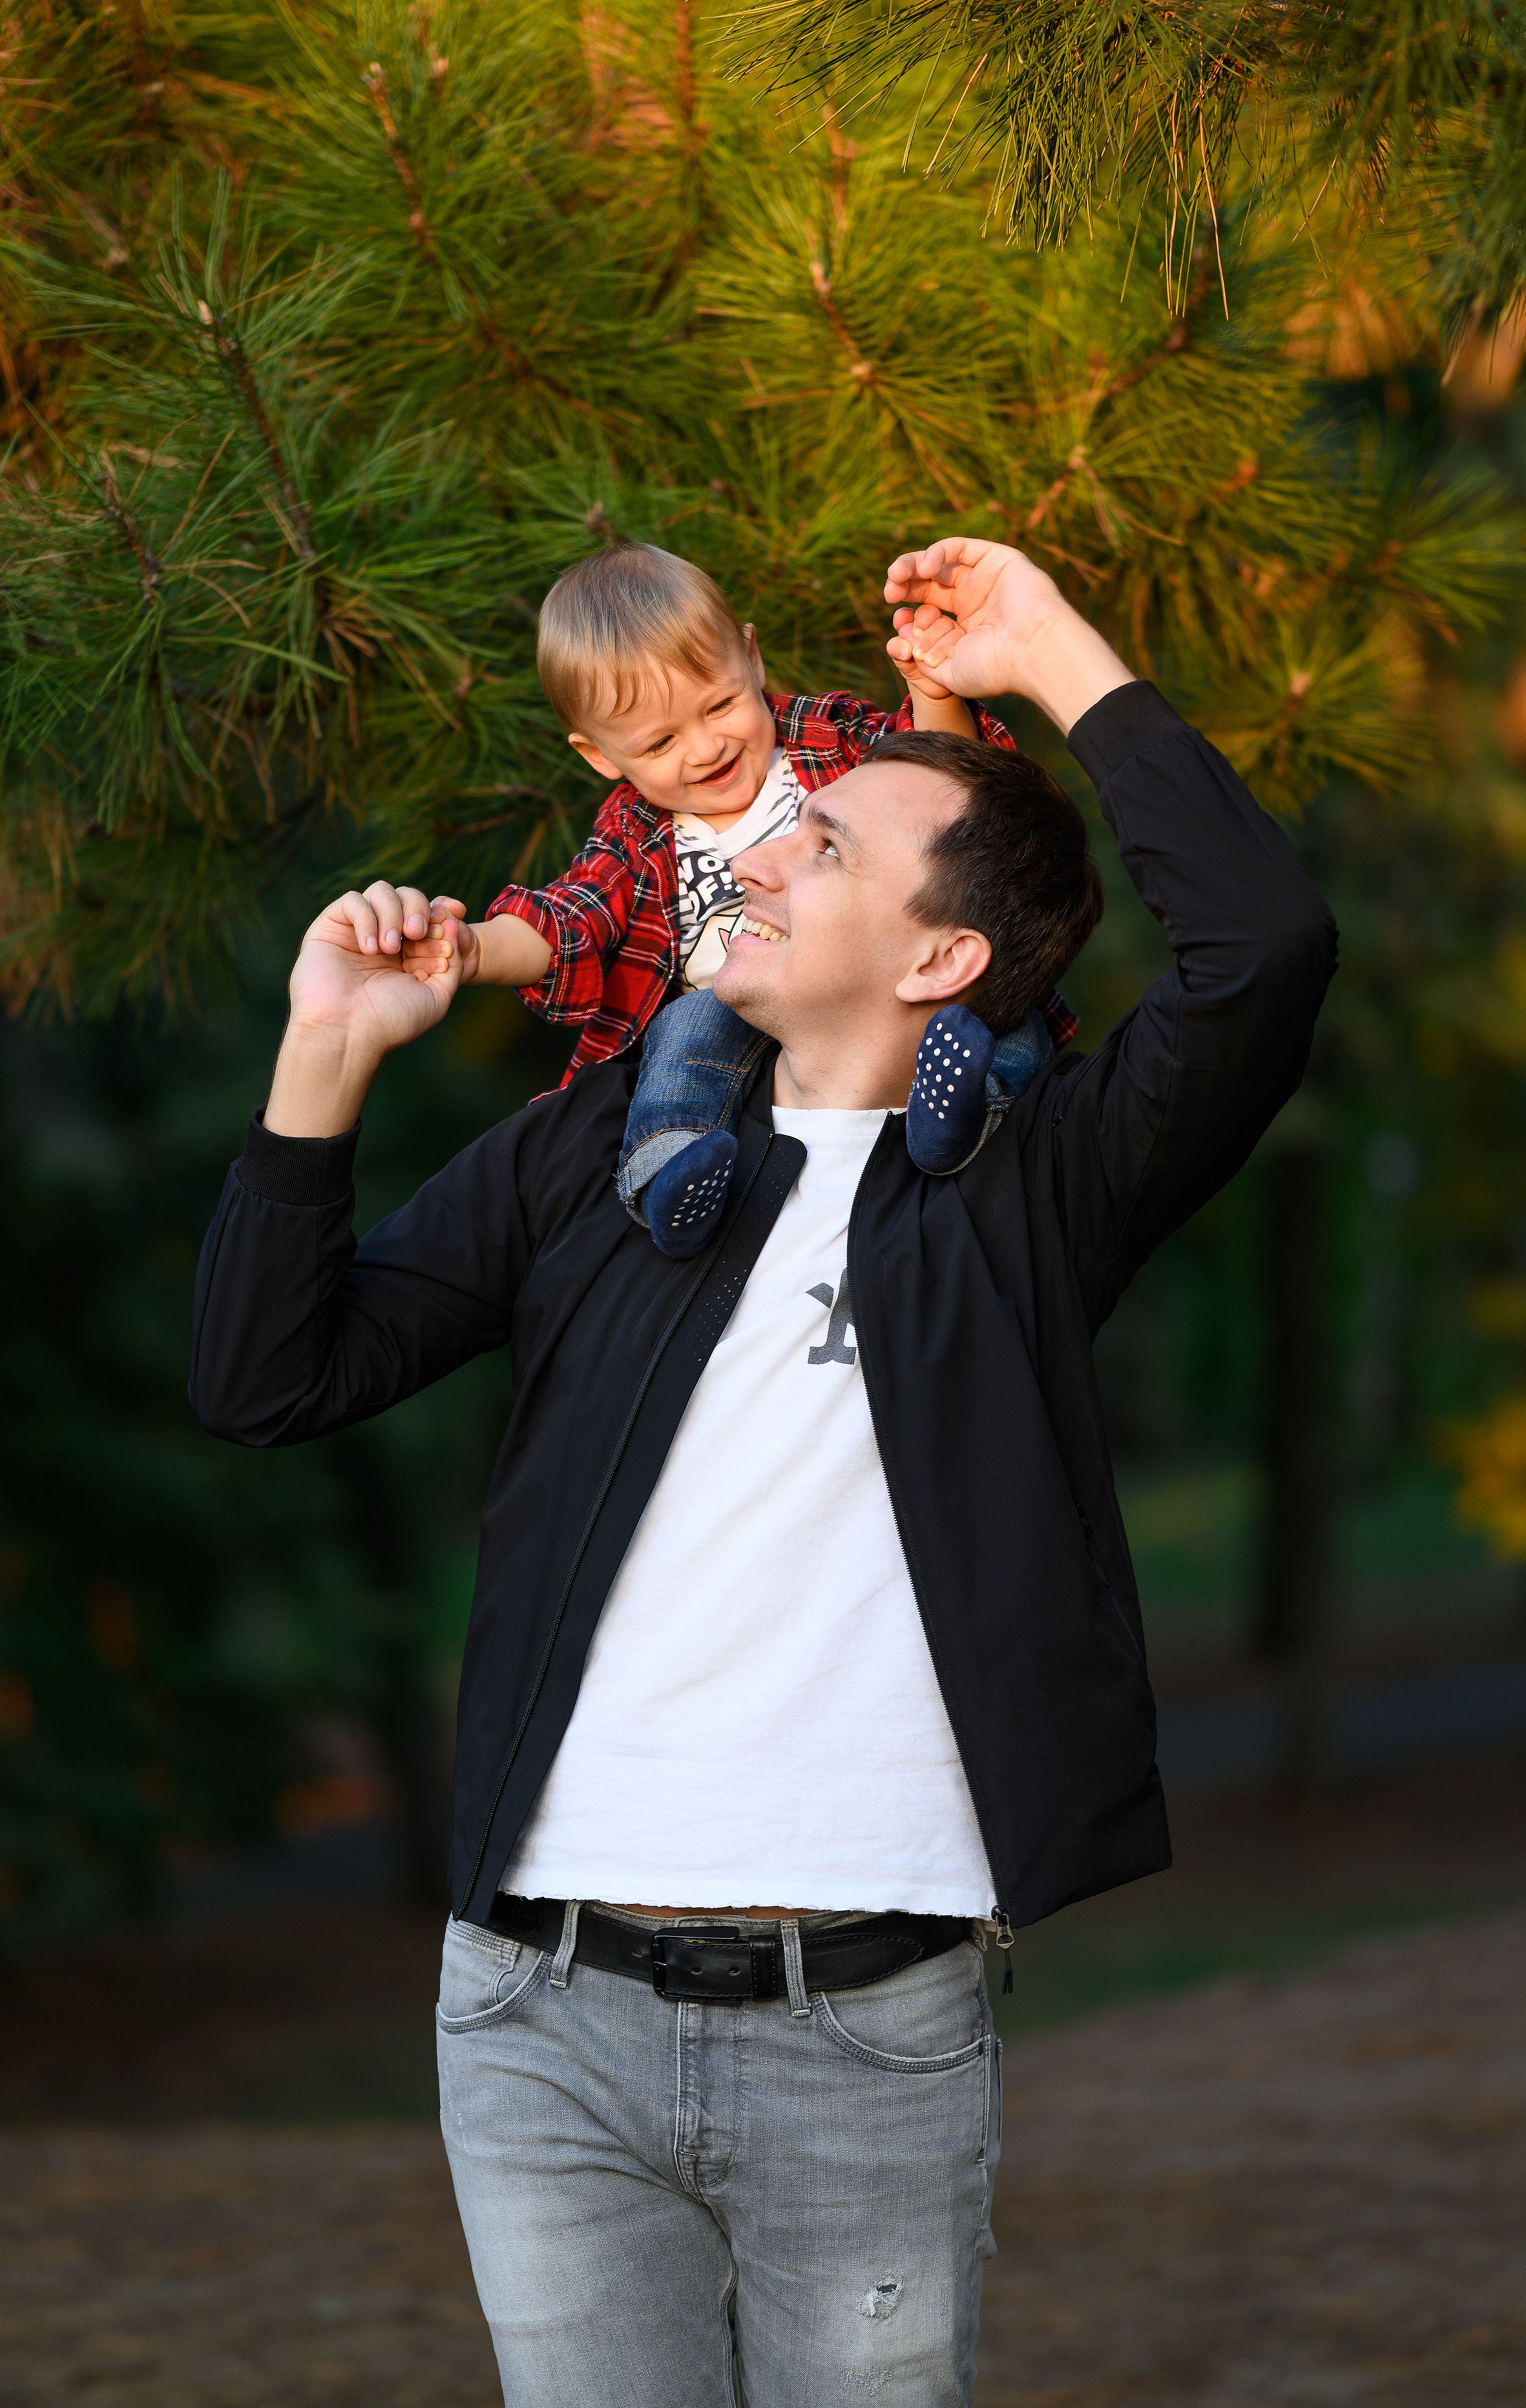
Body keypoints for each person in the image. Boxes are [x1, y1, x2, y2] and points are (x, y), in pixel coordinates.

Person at [190, 536, 1335, 2408]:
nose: (760, 850)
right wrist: (324, 1059)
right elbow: (264, 1375)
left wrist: (1047, 652)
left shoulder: (1037, 1194)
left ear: (942, 956)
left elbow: (1264, 946)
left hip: (867, 2027)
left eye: (824, 848)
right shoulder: (589, 1162)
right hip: (537, 2012)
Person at [417, 538, 1072, 1256]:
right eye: (661, 740)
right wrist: (475, 947)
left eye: (722, 703)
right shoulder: (636, 833)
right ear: (601, 755)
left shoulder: (826, 740)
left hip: (878, 983)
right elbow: (570, 922)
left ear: (752, 658)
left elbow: (944, 792)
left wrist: (932, 694)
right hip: (742, 1018)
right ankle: (670, 1167)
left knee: (992, 1007)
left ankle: (968, 1104)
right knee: (682, 1035)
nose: (704, 747)